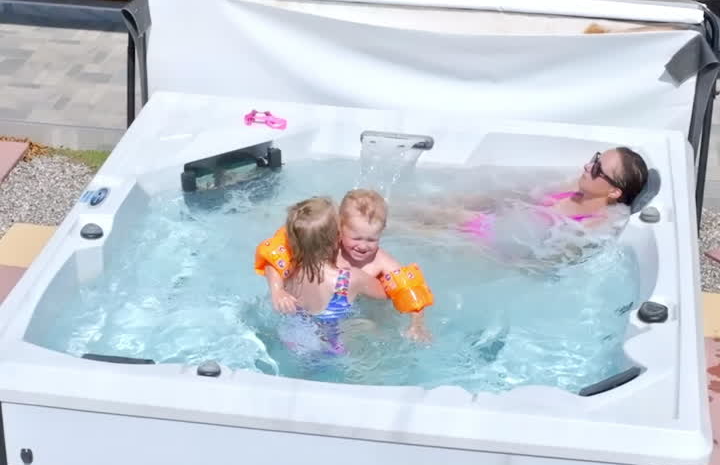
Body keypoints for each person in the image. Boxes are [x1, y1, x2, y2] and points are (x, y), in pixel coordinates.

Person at [255, 187, 434, 342]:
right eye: (356, 238)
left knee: (371, 327)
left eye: (371, 239)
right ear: (339, 229)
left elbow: (411, 292)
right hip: (313, 314)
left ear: (382, 232)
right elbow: (276, 256)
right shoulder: (327, 247)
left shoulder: (381, 262)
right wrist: (277, 290)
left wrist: (417, 325)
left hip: (350, 319)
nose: (363, 246)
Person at [395, 148, 649, 240]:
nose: (587, 166)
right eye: (595, 158)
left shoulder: (595, 224)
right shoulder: (575, 187)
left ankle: (384, 219)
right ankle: (386, 209)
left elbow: (552, 256)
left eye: (597, 168)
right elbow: (529, 194)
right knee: (437, 208)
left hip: (491, 239)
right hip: (500, 221)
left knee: (410, 229)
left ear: (614, 191)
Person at [271, 196, 385, 355]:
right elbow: (385, 294)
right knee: (369, 325)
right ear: (338, 238)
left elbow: (270, 265)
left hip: (295, 342)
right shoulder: (351, 278)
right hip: (334, 347)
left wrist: (277, 290)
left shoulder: (287, 272)